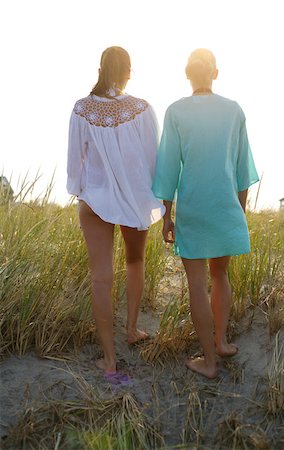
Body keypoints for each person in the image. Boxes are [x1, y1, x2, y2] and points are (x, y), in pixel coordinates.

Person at [152, 48, 259, 379]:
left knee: (197, 284)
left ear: (187, 75)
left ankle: (209, 362)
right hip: (225, 208)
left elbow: (168, 168)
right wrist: (238, 212)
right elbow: (243, 170)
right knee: (220, 275)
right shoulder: (233, 110)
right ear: (216, 73)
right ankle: (222, 342)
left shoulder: (176, 112)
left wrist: (166, 215)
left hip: (194, 209)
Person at [67, 46, 165, 383]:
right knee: (135, 262)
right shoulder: (142, 109)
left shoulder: (82, 109)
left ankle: (109, 361)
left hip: (94, 201)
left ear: (100, 68)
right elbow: (153, 160)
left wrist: (82, 187)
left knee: (101, 278)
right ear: (127, 72)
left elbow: (74, 163)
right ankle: (133, 329)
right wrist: (157, 200)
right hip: (134, 200)